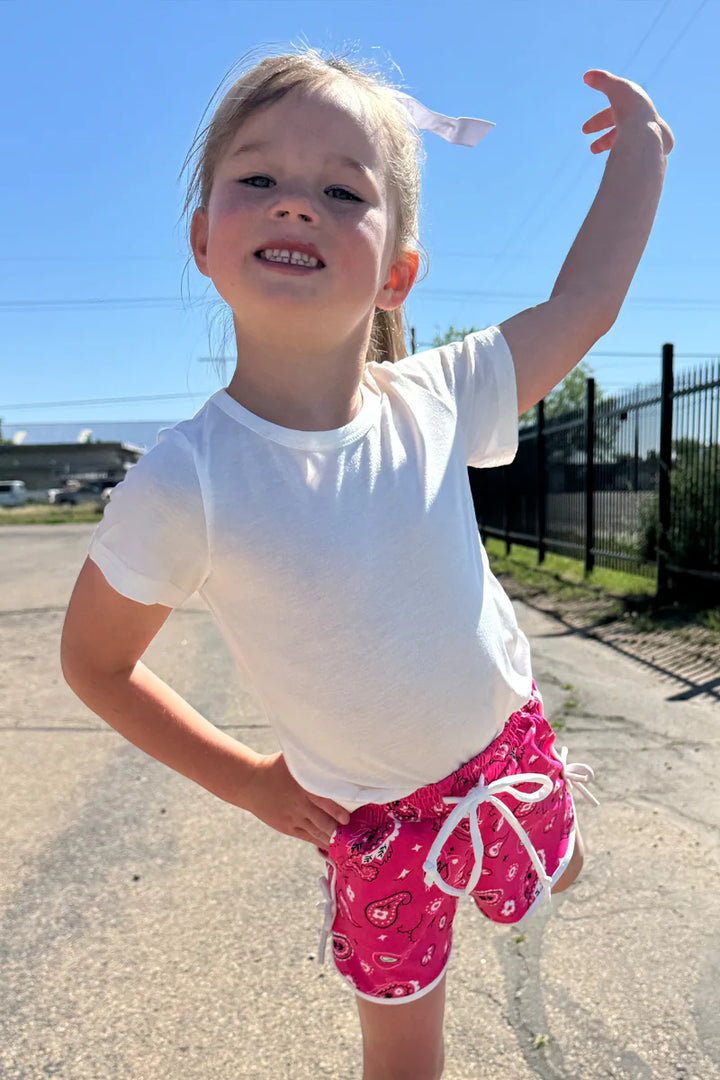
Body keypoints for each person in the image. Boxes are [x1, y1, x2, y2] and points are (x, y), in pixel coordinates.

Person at [61, 46, 673, 1080]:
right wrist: (251, 782)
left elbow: (583, 307)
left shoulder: (436, 398)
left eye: (342, 190)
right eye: (257, 177)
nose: (295, 205)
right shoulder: (186, 483)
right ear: (205, 239)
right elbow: (97, 663)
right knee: (401, 1049)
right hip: (376, 825)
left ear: (398, 272)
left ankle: (553, 850)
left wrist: (644, 160)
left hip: (506, 753)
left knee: (547, 868)